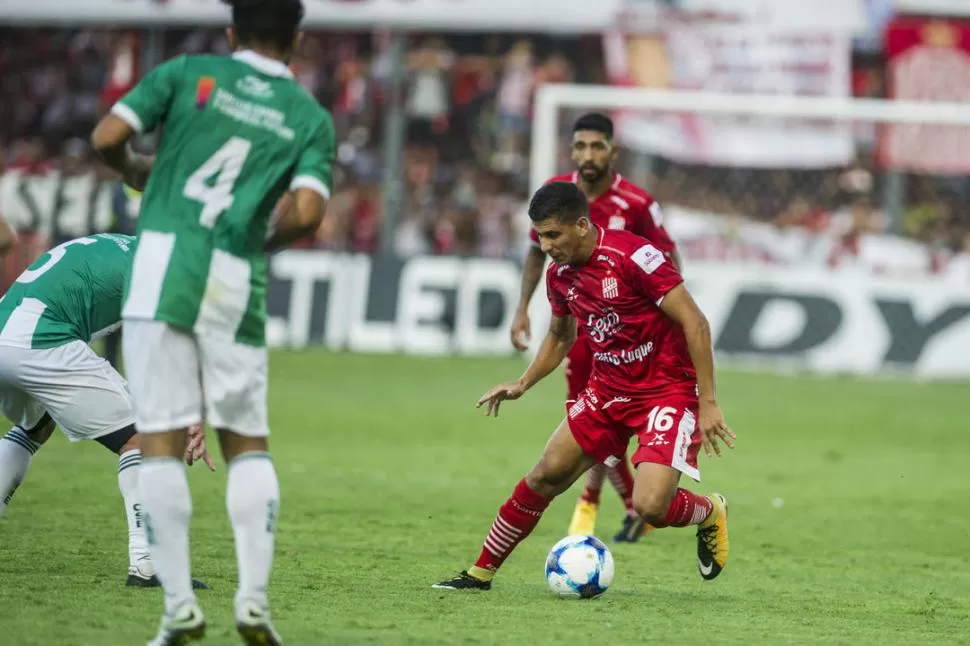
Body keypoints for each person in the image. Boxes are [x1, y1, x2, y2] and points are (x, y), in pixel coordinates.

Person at [89, 0, 334, 643]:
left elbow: (106, 139)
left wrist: (141, 172)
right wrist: (256, 242)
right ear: (297, 39)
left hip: (160, 267)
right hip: (233, 274)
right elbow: (308, 214)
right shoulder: (308, 116)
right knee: (246, 442)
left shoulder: (186, 72)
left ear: (232, 32)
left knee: (161, 439)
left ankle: (177, 608)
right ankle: (252, 602)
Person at [434, 182, 734, 591]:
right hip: (607, 391)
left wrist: (710, 402)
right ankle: (479, 573)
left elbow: (696, 322)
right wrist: (523, 383)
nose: (545, 245)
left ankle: (710, 511)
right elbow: (560, 336)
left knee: (649, 506)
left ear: (580, 225)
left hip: (665, 390)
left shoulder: (634, 256)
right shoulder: (559, 275)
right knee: (545, 475)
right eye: (539, 236)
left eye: (552, 235)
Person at [0, 233, 212, 590]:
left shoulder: (125, 247)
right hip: (42, 342)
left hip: (6, 334)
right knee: (143, 439)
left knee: (35, 428)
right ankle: (147, 563)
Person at [510, 112, 682, 542]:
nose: (588, 155)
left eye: (597, 146)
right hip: (580, 336)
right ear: (571, 150)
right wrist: (522, 310)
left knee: (616, 425)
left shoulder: (637, 205)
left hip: (634, 343)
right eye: (580, 146)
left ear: (612, 150)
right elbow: (536, 255)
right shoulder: (556, 198)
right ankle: (623, 504)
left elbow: (667, 263)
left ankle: (619, 501)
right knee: (590, 427)